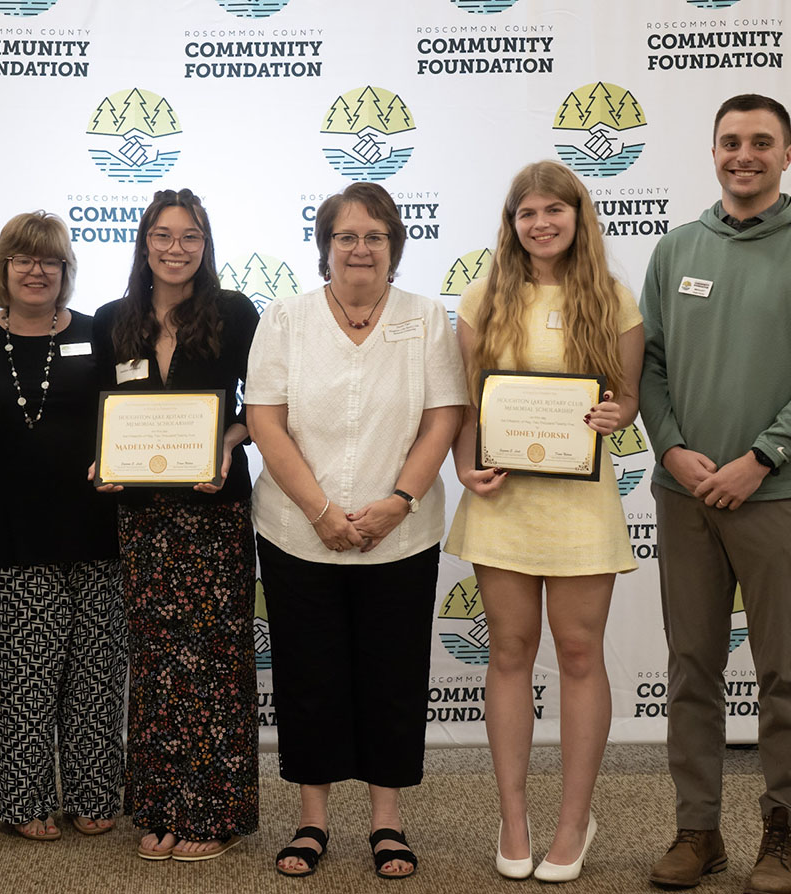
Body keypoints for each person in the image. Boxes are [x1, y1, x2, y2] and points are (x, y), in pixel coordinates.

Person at [639, 95, 791, 894]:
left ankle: (782, 834)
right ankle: (697, 832)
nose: (745, 154)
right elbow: (650, 369)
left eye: (761, 142)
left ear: (787, 153)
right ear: (712, 152)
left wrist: (759, 459)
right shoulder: (676, 251)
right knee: (693, 667)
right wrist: (672, 448)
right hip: (686, 493)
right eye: (731, 141)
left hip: (779, 494)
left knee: (784, 673)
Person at [246, 181, 467, 881]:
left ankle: (386, 822)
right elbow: (265, 420)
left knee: (391, 678)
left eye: (375, 235)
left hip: (399, 533)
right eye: (347, 236)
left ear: (394, 245)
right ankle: (312, 820)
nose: (361, 248)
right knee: (309, 677)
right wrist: (319, 511)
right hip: (295, 530)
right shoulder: (283, 319)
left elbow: (444, 417)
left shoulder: (428, 319)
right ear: (325, 246)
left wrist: (398, 501)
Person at [445, 160, 643, 883]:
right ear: (512, 224)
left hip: (581, 507)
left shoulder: (615, 300)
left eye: (554, 211)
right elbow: (465, 408)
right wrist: (467, 466)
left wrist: (619, 412)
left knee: (581, 654)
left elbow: (627, 402)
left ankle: (573, 820)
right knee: (508, 654)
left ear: (577, 216)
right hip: (504, 503)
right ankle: (516, 815)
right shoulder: (480, 299)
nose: (541, 223)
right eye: (527, 213)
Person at [90, 187, 260, 862]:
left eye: (189, 236)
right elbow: (103, 417)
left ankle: (212, 812)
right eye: (163, 235)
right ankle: (160, 807)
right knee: (157, 661)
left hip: (214, 511)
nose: (175, 248)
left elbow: (266, 406)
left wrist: (230, 441)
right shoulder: (112, 319)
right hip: (142, 518)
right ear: (144, 242)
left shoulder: (236, 313)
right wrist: (101, 463)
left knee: (215, 662)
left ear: (205, 245)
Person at [0, 211, 125, 842]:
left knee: (97, 672)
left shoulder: (100, 335)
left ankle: (94, 792)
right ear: (2, 269)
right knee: (19, 673)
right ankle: (21, 797)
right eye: (23, 259)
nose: (36, 270)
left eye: (49, 260)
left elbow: (133, 416)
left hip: (98, 527)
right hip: (14, 531)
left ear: (65, 271)